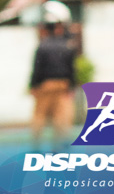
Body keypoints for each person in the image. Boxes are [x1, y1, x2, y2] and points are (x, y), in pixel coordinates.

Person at [29, 17, 77, 151]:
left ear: (45, 30)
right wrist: (72, 86)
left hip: (45, 85)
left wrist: (33, 86)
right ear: (58, 29)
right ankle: (59, 145)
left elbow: (37, 68)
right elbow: (72, 68)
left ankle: (36, 146)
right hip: (63, 85)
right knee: (61, 117)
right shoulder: (68, 46)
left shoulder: (42, 46)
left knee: (40, 116)